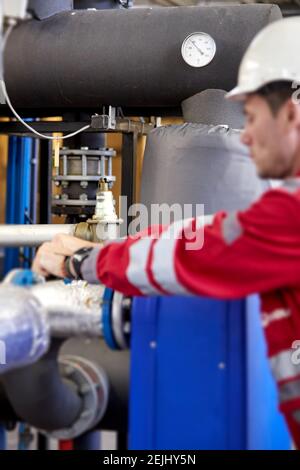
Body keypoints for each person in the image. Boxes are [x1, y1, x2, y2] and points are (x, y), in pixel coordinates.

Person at [32, 17, 300, 447]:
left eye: (249, 118)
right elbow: (207, 233)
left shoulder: (290, 216)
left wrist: (79, 260)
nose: (245, 138)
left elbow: (193, 253)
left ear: (289, 112)